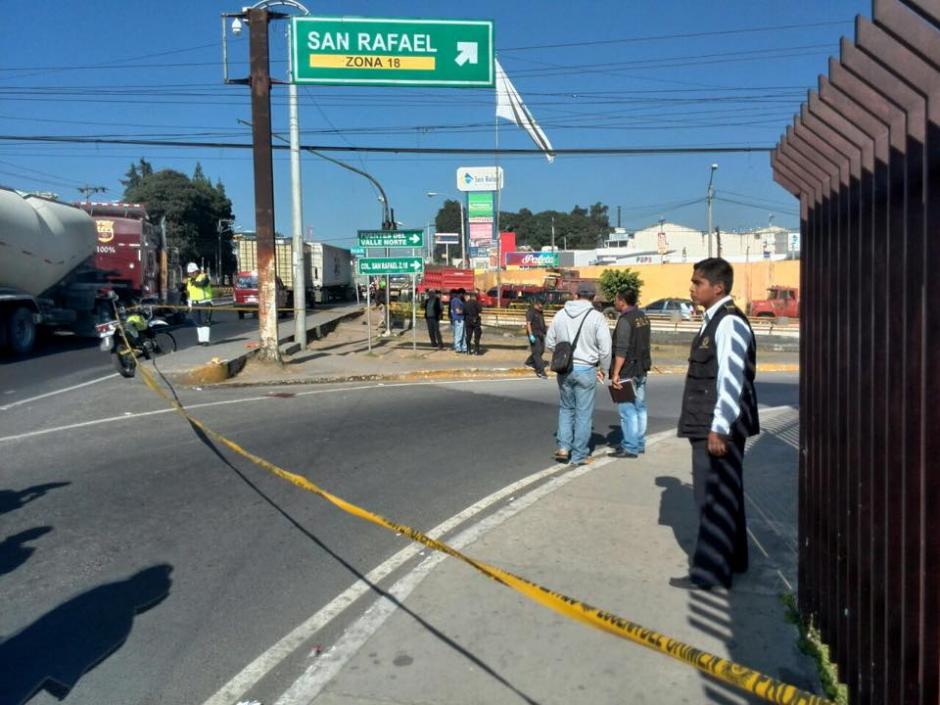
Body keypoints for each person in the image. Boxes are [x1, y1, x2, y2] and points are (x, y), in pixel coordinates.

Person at [672, 257, 759, 591]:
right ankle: (735, 560)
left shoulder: (728, 323)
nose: (692, 288)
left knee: (712, 499)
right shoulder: (714, 320)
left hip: (716, 426)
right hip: (709, 422)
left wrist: (719, 427)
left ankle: (711, 573)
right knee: (725, 495)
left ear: (718, 287)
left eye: (698, 283)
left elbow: (732, 379)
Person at [545, 283, 612, 466]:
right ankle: (579, 454)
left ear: (576, 296)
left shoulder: (560, 314)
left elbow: (549, 342)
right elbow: (606, 349)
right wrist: (604, 369)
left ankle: (563, 448)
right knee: (583, 413)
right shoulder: (597, 317)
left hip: (565, 368)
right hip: (586, 368)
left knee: (566, 408)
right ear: (593, 297)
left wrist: (563, 354)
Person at [608, 289, 652, 458]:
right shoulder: (643, 317)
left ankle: (630, 446)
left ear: (622, 301)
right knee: (640, 407)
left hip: (628, 370)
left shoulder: (625, 321)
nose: (614, 303)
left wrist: (616, 374)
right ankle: (639, 443)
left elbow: (622, 350)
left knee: (627, 410)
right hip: (642, 368)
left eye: (616, 299)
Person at [186, 262, 213, 346]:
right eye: (190, 273)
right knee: (197, 322)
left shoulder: (204, 277)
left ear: (197, 271)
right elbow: (189, 293)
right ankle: (201, 340)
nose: (191, 274)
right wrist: (189, 304)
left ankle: (206, 340)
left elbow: (202, 284)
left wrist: (194, 282)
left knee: (205, 321)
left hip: (205, 302)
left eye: (193, 272)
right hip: (194, 303)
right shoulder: (189, 280)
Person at [524, 298, 548, 378]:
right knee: (537, 353)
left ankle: (529, 362)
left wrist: (545, 331)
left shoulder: (540, 312)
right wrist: (530, 335)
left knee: (541, 350)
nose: (543, 306)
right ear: (537, 304)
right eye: (542, 304)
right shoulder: (531, 312)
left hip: (540, 334)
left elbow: (542, 322)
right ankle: (540, 371)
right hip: (534, 334)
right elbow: (528, 324)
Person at [463, 290, 483, 355]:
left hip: (468, 321)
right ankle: (476, 350)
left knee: (468, 336)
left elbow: (464, 312)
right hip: (476, 320)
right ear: (474, 297)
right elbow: (480, 310)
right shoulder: (477, 303)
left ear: (470, 296)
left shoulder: (466, 303)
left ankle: (468, 350)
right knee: (477, 336)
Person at [450, 288, 467, 353]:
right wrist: (465, 311)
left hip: (460, 319)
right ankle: (458, 347)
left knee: (462, 334)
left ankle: (462, 347)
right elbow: (457, 311)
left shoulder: (458, 300)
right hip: (459, 319)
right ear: (461, 293)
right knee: (459, 334)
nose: (464, 295)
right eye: (463, 294)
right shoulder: (456, 300)